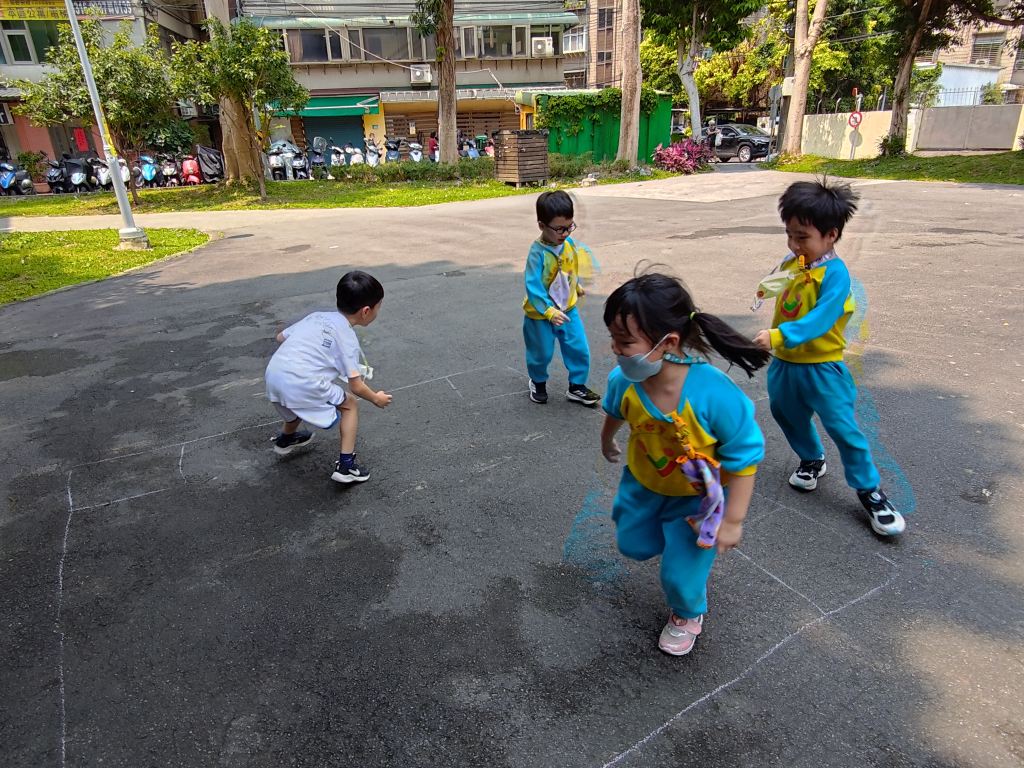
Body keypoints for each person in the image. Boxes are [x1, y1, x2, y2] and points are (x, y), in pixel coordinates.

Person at [601, 272, 769, 656]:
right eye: (613, 338)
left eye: (625, 342)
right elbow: (614, 412)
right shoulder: (623, 381)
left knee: (679, 574)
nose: (615, 349)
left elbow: (745, 457)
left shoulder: (714, 393)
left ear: (668, 342)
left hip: (696, 500)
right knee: (633, 544)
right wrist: (607, 439)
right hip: (642, 485)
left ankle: (687, 613)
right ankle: (677, 551)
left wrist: (733, 520)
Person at [753, 180, 906, 536]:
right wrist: (766, 289)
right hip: (786, 365)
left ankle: (870, 492)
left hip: (822, 369)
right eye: (789, 235)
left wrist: (778, 336)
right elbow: (781, 284)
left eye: (802, 237)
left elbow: (821, 319)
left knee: (843, 429)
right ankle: (812, 459)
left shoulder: (836, 275)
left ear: (831, 235)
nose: (794, 244)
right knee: (786, 415)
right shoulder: (796, 261)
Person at [265, 270, 393, 484]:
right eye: (378, 307)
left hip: (274, 376)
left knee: (293, 403)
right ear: (366, 311)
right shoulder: (347, 337)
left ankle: (286, 439)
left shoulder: (316, 317)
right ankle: (346, 466)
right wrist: (376, 398)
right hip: (303, 381)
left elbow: (280, 337)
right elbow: (356, 387)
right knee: (349, 405)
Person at [522, 190, 601, 407]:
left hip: (567, 310)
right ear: (541, 225)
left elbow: (568, 269)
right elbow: (533, 286)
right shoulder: (537, 253)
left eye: (569, 227)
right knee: (541, 353)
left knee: (578, 347)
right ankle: (538, 382)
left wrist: (576, 286)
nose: (565, 233)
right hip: (541, 315)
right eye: (559, 229)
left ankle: (577, 386)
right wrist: (548, 311)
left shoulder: (568, 244)